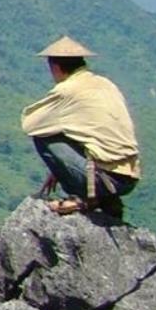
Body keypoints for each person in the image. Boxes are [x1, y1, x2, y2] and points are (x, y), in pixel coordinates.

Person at [20, 35, 139, 219]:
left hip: (102, 180)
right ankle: (106, 200)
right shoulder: (106, 84)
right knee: (61, 129)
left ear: (55, 67)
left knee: (43, 136)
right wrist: (59, 169)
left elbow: (30, 124)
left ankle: (82, 198)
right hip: (128, 178)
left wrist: (60, 167)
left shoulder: (68, 89)